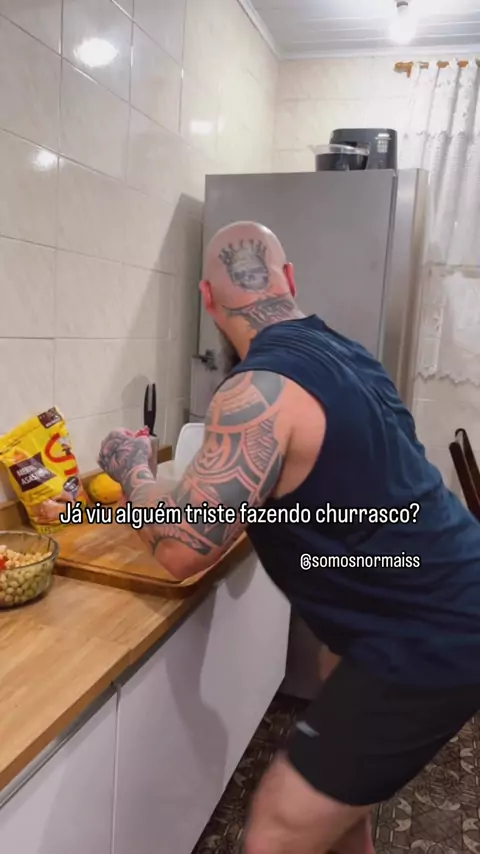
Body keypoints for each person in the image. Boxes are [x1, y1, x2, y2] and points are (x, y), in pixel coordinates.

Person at [98, 221, 480, 854]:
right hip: (439, 592)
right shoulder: (349, 353)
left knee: (278, 825)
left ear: (206, 298)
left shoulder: (256, 391)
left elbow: (182, 547)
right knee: (337, 790)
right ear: (291, 280)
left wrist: (132, 468)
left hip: (427, 631)